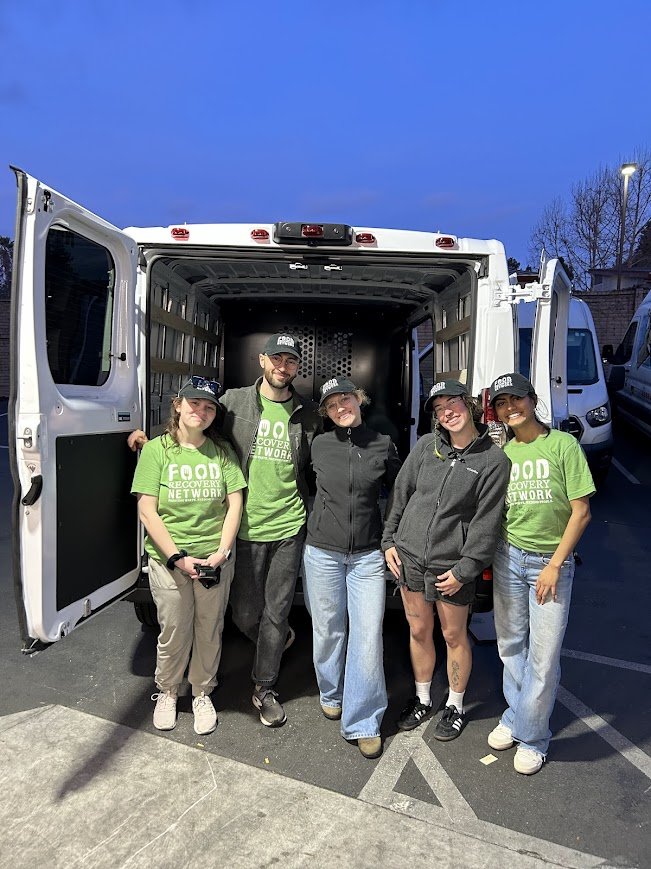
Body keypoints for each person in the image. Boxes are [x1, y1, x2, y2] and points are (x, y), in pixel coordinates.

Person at [129, 334, 321, 728]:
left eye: (291, 361)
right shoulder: (234, 400)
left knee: (277, 611)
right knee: (245, 612)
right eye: (277, 359)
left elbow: (324, 454)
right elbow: (193, 419)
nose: (283, 367)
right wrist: (144, 433)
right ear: (262, 361)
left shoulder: (307, 412)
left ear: (297, 368)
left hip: (289, 525)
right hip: (245, 529)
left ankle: (263, 687)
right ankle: (270, 641)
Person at [382, 380, 510, 740]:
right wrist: (388, 540)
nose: (446, 413)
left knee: (453, 635)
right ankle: (422, 698)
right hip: (409, 558)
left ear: (468, 405)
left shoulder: (493, 461)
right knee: (419, 631)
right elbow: (401, 493)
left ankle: (454, 704)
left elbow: (487, 523)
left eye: (452, 403)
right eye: (438, 409)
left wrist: (465, 570)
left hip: (451, 567)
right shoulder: (426, 446)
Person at [487, 372, 594, 775]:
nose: (509, 408)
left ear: (532, 400)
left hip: (550, 563)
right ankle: (516, 718)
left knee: (544, 656)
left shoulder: (562, 445)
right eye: (501, 403)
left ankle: (533, 737)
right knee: (511, 645)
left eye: (516, 399)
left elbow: (581, 512)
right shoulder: (503, 454)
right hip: (508, 556)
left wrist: (553, 565)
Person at [131, 377, 246, 734]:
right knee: (174, 630)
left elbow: (235, 503)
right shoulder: (157, 451)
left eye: (209, 407)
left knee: (209, 628)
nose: (201, 411)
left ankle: (201, 692)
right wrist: (178, 558)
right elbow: (147, 511)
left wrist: (221, 553)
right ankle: (167, 691)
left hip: (214, 560)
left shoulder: (223, 451)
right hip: (170, 562)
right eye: (194, 403)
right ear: (178, 405)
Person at [303, 377, 401, 759]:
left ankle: (363, 720)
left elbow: (400, 490)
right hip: (322, 551)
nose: (341, 407)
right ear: (326, 413)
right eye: (332, 404)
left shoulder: (382, 444)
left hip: (367, 556)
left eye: (346, 398)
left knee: (366, 634)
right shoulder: (318, 445)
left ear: (359, 400)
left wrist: (389, 536)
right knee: (328, 629)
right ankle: (331, 691)